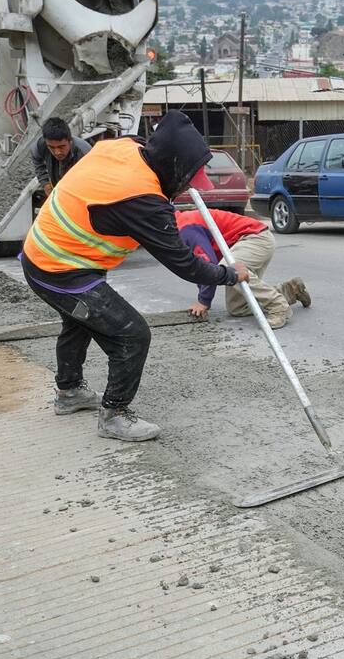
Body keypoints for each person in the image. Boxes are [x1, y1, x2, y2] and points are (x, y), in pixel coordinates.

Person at [20, 112, 250, 443]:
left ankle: (69, 393)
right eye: (187, 179)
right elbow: (186, 264)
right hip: (58, 268)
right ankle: (114, 415)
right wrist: (229, 274)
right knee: (132, 334)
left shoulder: (127, 146)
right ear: (172, 168)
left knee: (80, 321)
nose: (187, 188)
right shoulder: (143, 201)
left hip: (54, 253)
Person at [175, 208, 310, 329]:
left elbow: (208, 265)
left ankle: (278, 306)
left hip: (255, 238)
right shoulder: (180, 225)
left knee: (231, 269)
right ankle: (291, 290)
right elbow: (202, 266)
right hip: (247, 242)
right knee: (237, 308)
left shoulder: (185, 228)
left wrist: (203, 301)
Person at [31, 117, 92, 197]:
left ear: (70, 141)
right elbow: (37, 160)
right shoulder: (40, 145)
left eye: (61, 147)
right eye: (51, 147)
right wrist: (45, 183)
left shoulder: (85, 153)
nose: (57, 152)